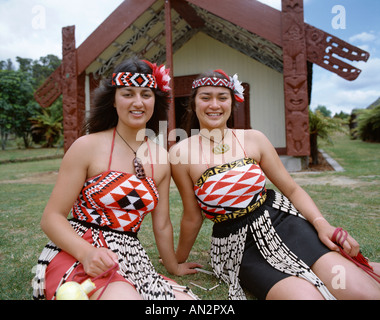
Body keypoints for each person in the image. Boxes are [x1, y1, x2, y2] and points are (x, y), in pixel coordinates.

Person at [169, 69, 380, 300]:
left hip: (284, 223)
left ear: (232, 101)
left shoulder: (254, 138)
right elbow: (192, 216)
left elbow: (291, 189)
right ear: (193, 103)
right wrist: (178, 258)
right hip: (237, 246)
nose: (214, 105)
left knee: (360, 292)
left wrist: (322, 224)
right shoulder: (181, 153)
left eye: (222, 97)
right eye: (205, 97)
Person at [32, 58, 200, 300]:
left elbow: (161, 224)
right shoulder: (86, 146)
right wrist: (87, 253)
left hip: (132, 257)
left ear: (156, 101)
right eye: (128, 94)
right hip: (79, 250)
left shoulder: (161, 158)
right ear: (113, 99)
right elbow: (51, 218)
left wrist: (173, 266)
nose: (138, 102)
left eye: (146, 94)